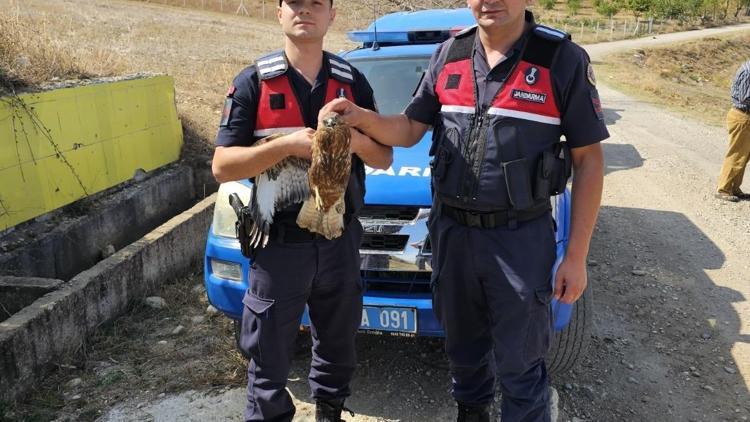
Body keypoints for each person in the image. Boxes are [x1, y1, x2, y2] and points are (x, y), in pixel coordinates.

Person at [320, 0, 608, 420]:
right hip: (453, 234)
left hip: (519, 240)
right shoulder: (449, 54)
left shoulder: (560, 59)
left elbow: (589, 161)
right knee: (465, 356)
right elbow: (409, 128)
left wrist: (577, 256)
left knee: (521, 365)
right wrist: (362, 117)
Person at [211, 0, 393, 420]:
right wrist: (287, 146)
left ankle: (329, 412)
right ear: (278, 13)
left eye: (316, 4)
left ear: (332, 16)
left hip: (338, 239)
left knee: (338, 345)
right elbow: (221, 167)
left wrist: (354, 140)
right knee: (269, 355)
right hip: (278, 244)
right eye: (294, 2)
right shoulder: (254, 82)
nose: (304, 11)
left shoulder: (352, 84)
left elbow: (383, 157)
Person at [716, 59, 750, 202]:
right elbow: (745, 97)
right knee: (736, 154)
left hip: (745, 116)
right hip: (743, 116)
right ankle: (724, 189)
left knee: (744, 155)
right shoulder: (749, 71)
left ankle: (734, 187)